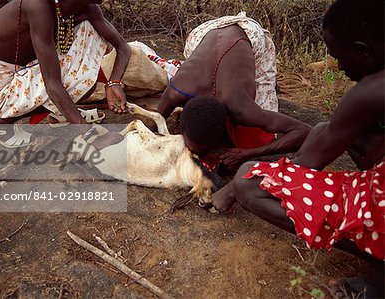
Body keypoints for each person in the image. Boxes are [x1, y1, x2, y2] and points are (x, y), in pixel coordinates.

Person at [212, 0, 384, 297]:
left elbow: (308, 154)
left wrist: (234, 184)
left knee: (247, 182)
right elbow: (320, 133)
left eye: (339, 58)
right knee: (327, 130)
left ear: (363, 51)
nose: (340, 68)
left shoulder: (369, 94)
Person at [158, 12, 311, 171]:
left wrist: (248, 153)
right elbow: (155, 121)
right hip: (205, 32)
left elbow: (304, 131)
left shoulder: (242, 108)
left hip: (250, 35)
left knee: (259, 136)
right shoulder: (175, 92)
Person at [0, 0, 130, 148]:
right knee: (78, 81)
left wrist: (113, 82)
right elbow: (52, 84)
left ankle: (61, 112)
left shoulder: (88, 8)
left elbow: (123, 46)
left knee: (85, 60)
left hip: (23, 69)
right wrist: (90, 134)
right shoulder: (38, 5)